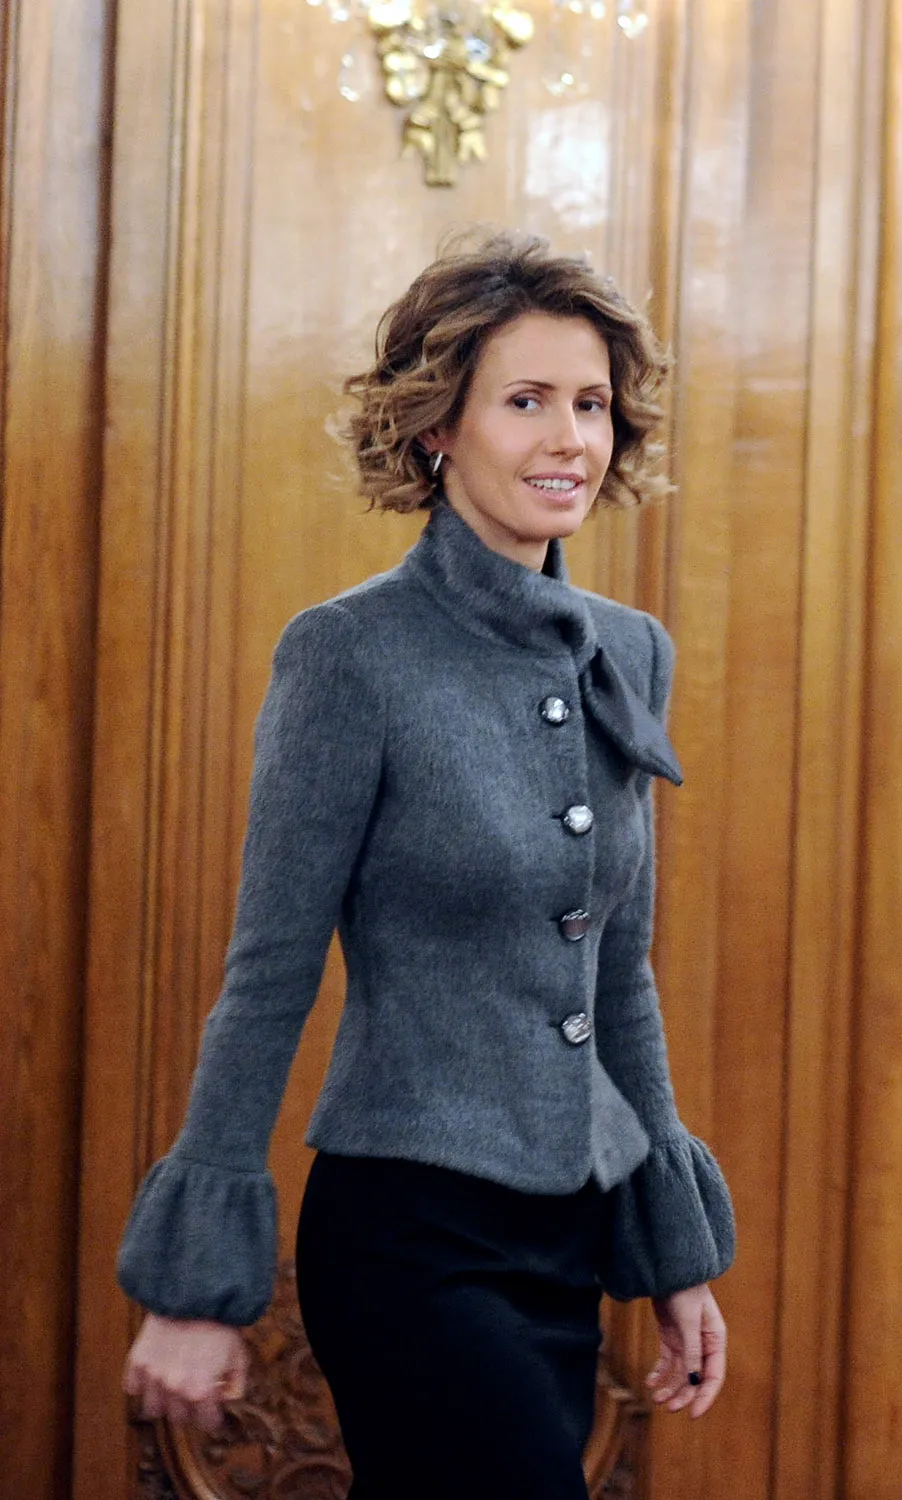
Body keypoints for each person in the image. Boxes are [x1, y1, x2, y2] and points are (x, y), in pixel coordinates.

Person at [117, 229, 735, 1499]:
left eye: (591, 405)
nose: (569, 437)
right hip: (409, 1239)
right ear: (438, 427)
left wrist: (672, 1251)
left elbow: (619, 974)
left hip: (565, 1240)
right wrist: (196, 1286)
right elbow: (270, 972)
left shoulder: (631, 650)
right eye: (525, 402)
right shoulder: (348, 655)